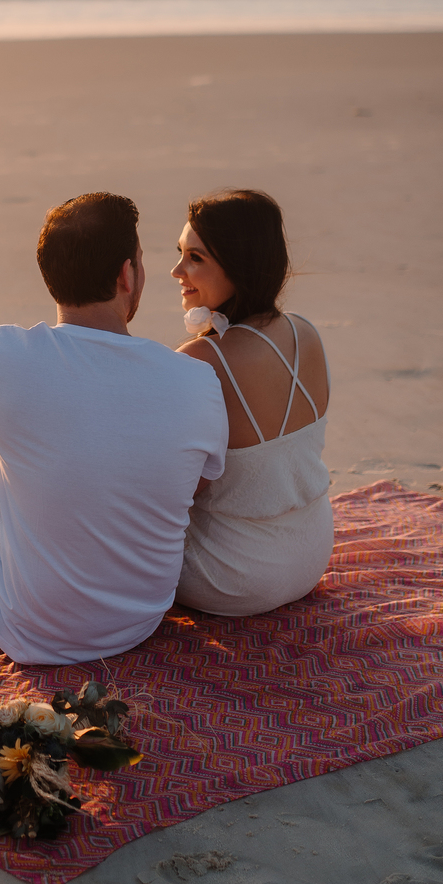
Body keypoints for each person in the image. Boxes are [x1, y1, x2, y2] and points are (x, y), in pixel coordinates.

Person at [0, 192, 228, 665]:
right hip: (139, 621)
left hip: (26, 626)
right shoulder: (197, 379)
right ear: (127, 275)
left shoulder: (2, 355)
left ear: (51, 277)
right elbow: (198, 484)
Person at [172, 188, 333, 615]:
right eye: (180, 254)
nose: (177, 270)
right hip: (312, 554)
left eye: (196, 258)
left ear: (238, 266)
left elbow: (172, 490)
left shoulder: (200, 359)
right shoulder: (306, 333)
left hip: (233, 578)